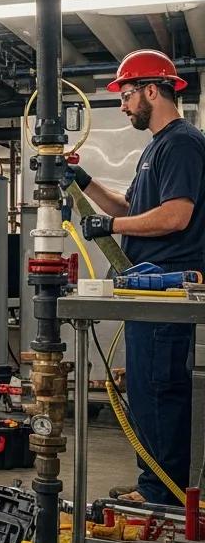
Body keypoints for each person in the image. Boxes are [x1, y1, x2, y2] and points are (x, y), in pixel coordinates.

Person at [75, 49, 205, 505]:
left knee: (160, 389)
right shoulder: (156, 147)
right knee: (147, 388)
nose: (124, 105)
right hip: (147, 285)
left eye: (128, 95)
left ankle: (162, 496)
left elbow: (174, 216)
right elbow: (132, 210)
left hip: (168, 285)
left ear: (153, 90)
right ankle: (152, 485)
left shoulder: (182, 143)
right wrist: (83, 181)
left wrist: (110, 228)